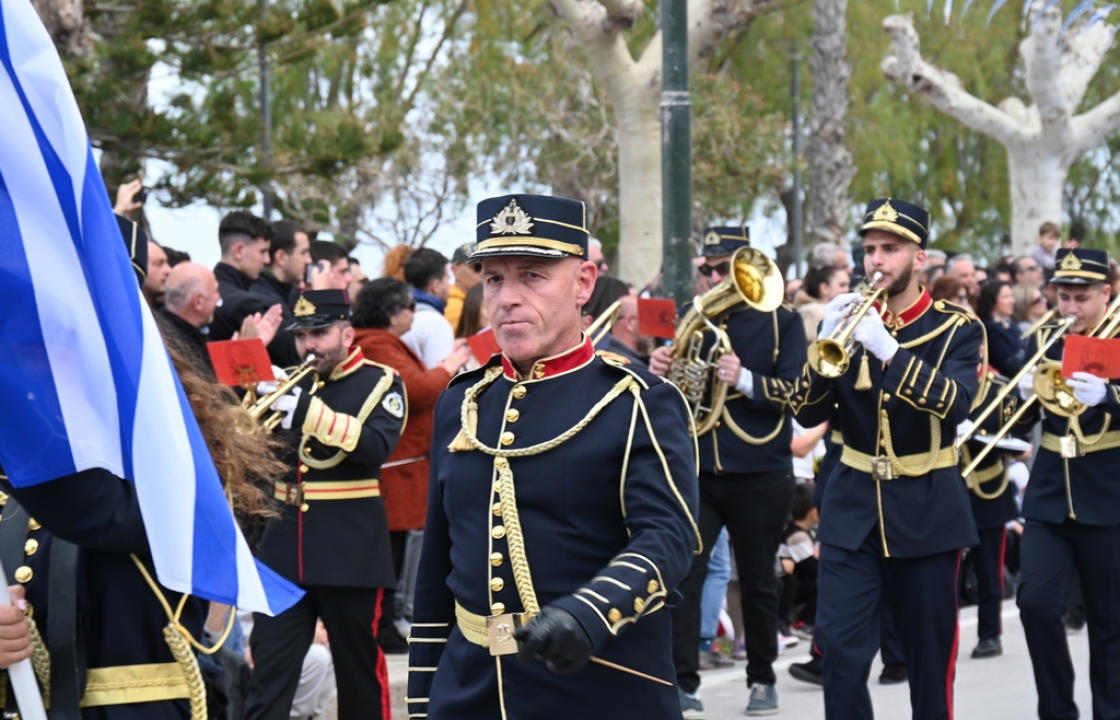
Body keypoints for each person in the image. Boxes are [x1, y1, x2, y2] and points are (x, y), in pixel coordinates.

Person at [406, 193, 699, 719]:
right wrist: (424, 695)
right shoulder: (463, 401)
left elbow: (670, 538)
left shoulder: (637, 401)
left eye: (532, 277)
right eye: (494, 279)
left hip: (598, 685)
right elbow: (438, 566)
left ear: (583, 283)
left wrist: (590, 612)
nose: (507, 298)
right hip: (470, 689)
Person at [788, 197, 982, 720]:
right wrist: (825, 348)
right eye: (870, 249)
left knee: (927, 658)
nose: (876, 260)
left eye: (890, 249)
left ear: (919, 258)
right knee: (843, 656)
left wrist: (890, 352)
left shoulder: (957, 330)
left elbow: (958, 402)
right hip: (853, 505)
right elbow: (806, 414)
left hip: (927, 507)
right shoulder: (850, 319)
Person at [649, 224, 807, 716]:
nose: (715, 278)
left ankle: (762, 679)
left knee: (758, 578)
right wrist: (659, 369)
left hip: (761, 469)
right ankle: (682, 681)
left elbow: (798, 392)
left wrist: (747, 380)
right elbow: (678, 396)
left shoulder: (783, 321)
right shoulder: (691, 319)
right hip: (700, 469)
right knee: (685, 575)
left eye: (724, 269)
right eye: (709, 270)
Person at [246, 290, 406, 720]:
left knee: (359, 677)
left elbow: (375, 448)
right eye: (301, 337)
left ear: (347, 333)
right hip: (282, 550)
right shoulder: (291, 381)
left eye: (320, 333)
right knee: (269, 675)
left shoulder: (381, 382)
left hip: (349, 552)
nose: (309, 345)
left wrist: (309, 413)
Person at [1015, 247, 1120, 720]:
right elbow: (1017, 424)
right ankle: (1056, 711)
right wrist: (1013, 393)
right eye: (1064, 297)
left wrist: (1112, 397)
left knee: (1110, 623)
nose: (1072, 309)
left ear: (1106, 294)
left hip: (1110, 495)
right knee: (1035, 604)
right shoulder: (1041, 338)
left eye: (1082, 298)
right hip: (1051, 496)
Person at [351, 278, 471, 650]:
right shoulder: (376, 345)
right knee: (390, 552)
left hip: (403, 463)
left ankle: (384, 624)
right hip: (397, 466)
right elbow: (414, 389)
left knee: (395, 549)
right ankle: (382, 627)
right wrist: (449, 366)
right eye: (407, 307)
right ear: (391, 313)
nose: (412, 314)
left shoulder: (383, 343)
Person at [957, 370, 1022, 661]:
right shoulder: (940, 380)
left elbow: (1019, 438)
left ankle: (989, 634)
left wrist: (980, 436)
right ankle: (940, 635)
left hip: (989, 490)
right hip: (950, 489)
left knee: (988, 571)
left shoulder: (999, 389)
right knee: (945, 574)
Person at [251, 220, 311, 367]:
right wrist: (321, 294)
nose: (309, 260)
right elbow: (299, 356)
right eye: (303, 253)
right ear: (281, 257)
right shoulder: (265, 299)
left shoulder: (286, 292)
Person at [211, 211, 277, 341]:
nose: (267, 260)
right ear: (239, 250)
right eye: (262, 251)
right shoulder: (245, 305)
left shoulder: (199, 293)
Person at [401, 248, 456, 368]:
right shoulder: (435, 324)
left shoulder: (397, 318)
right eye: (447, 278)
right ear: (436, 286)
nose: (449, 285)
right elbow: (442, 381)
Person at [976, 280, 1026, 375]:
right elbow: (1011, 365)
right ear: (992, 300)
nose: (1012, 301)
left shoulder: (1012, 325)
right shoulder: (990, 329)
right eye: (1005, 297)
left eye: (1011, 296)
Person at [444, 242, 482, 330]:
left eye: (488, 267)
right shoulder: (454, 308)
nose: (484, 273)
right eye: (477, 267)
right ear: (455, 270)